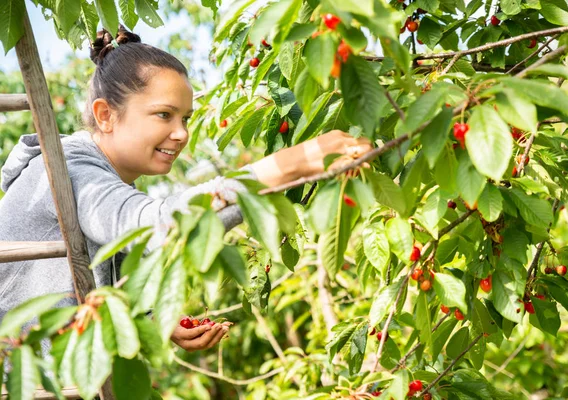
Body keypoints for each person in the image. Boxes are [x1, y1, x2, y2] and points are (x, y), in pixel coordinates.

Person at [0, 26, 371, 353]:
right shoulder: (67, 169)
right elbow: (153, 226)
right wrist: (289, 162)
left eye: (186, 118)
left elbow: (100, 270)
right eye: (164, 114)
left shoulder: (101, 175)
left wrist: (149, 318)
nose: (181, 133)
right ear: (105, 115)